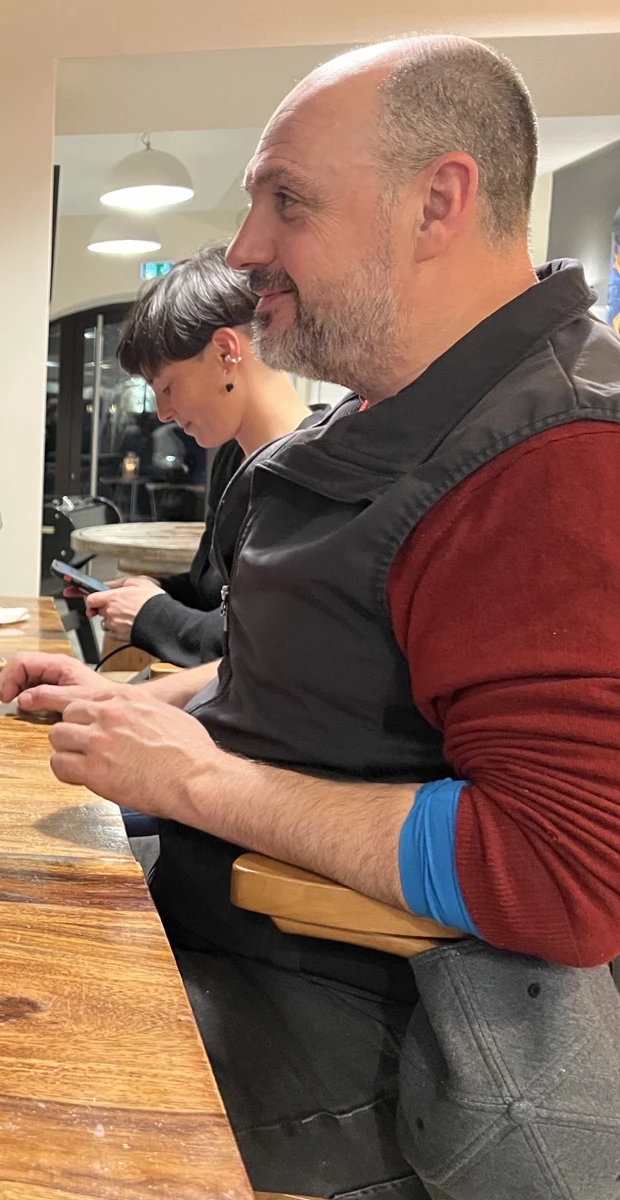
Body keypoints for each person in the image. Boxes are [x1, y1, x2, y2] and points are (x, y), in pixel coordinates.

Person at [4, 34, 620, 1200]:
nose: (245, 249)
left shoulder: (554, 456)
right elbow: (321, 670)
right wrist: (156, 699)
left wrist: (198, 781)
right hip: (222, 914)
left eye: (286, 202)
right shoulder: (391, 416)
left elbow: (559, 872)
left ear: (436, 201)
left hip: (342, 1017)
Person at [88, 244, 310, 667]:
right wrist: (152, 592)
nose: (163, 413)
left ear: (226, 353)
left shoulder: (311, 474)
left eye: (168, 387)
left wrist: (152, 615)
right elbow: (213, 595)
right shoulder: (232, 458)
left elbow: (264, 647)